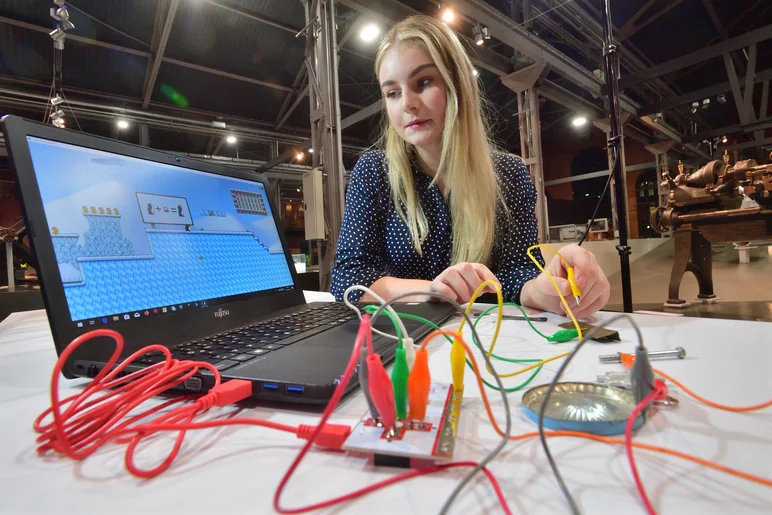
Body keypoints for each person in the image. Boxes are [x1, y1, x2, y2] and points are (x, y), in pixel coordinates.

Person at [330, 15, 610, 319]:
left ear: (457, 85)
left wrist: (545, 290)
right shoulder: (373, 171)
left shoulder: (510, 174)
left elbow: (518, 273)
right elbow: (349, 278)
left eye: (422, 82)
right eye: (393, 93)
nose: (407, 103)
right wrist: (432, 291)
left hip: (485, 345)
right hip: (400, 341)